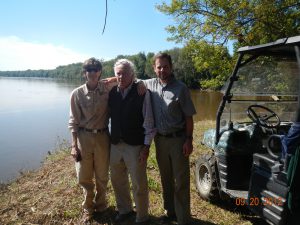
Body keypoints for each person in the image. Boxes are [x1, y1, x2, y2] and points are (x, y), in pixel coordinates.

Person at [142, 53, 196, 225]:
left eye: (165, 66)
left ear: (171, 67)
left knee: (180, 181)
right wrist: (111, 78)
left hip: (178, 140)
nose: (162, 70)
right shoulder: (150, 84)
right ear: (154, 68)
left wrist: (189, 139)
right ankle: (169, 211)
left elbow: (189, 117)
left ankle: (183, 218)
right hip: (160, 140)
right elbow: (129, 79)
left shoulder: (181, 88)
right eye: (159, 67)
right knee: (165, 178)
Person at [68, 57, 116, 223]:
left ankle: (101, 204)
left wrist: (116, 78)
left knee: (102, 175)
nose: (93, 72)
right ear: (84, 73)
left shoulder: (107, 87)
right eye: (89, 70)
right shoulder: (77, 93)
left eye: (96, 69)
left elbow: (128, 77)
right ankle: (88, 208)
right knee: (84, 176)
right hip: (84, 137)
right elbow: (73, 122)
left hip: (103, 136)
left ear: (100, 72)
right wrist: (74, 146)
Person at [108, 59, 156, 224]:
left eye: (124, 73)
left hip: (135, 145)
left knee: (138, 183)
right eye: (118, 73)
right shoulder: (112, 92)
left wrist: (146, 146)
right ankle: (125, 210)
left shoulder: (142, 92)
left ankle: (142, 216)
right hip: (115, 144)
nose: (121, 76)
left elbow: (149, 121)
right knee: (117, 180)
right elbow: (97, 82)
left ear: (132, 74)